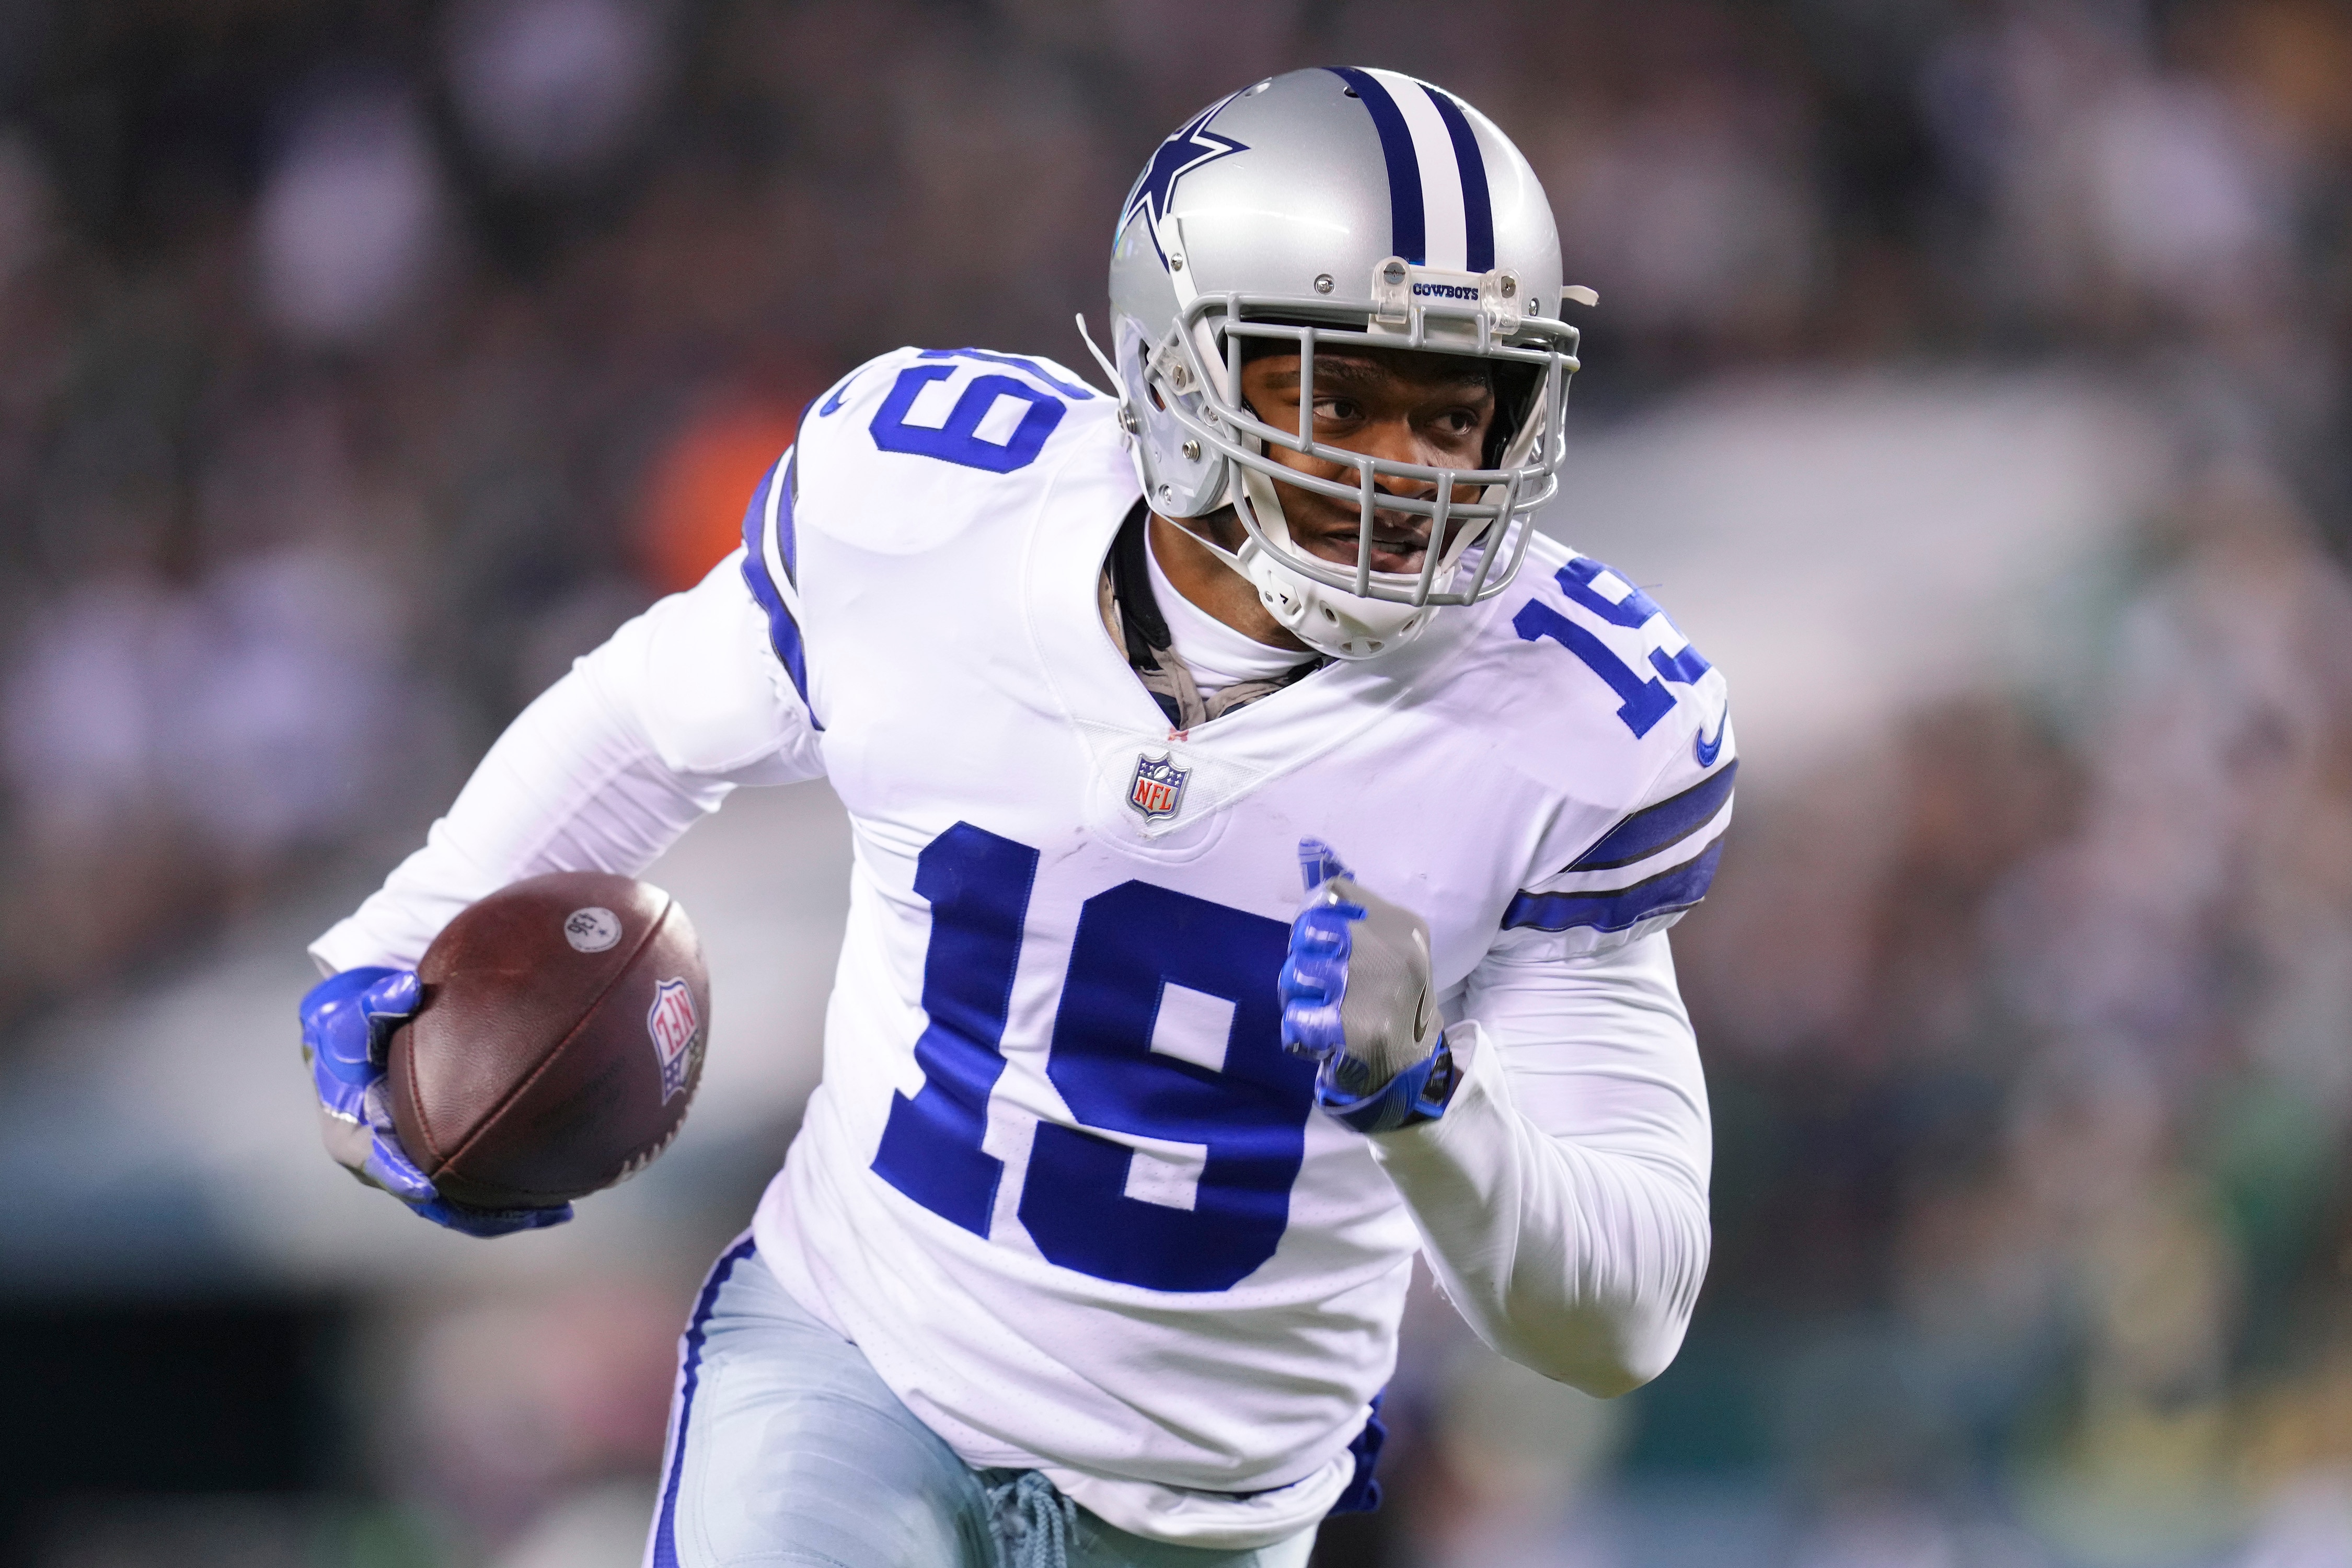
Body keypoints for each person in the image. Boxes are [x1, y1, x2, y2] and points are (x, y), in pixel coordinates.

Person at [298, 66, 1730, 1568]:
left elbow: (1620, 1319)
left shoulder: (1580, 727)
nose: (1410, 470)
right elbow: (650, 717)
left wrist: (1425, 1099)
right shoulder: (935, 511)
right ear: (1176, 374)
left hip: (1203, 1515)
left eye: (1459, 409)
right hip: (855, 1366)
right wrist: (396, 962)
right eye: (1340, 397)